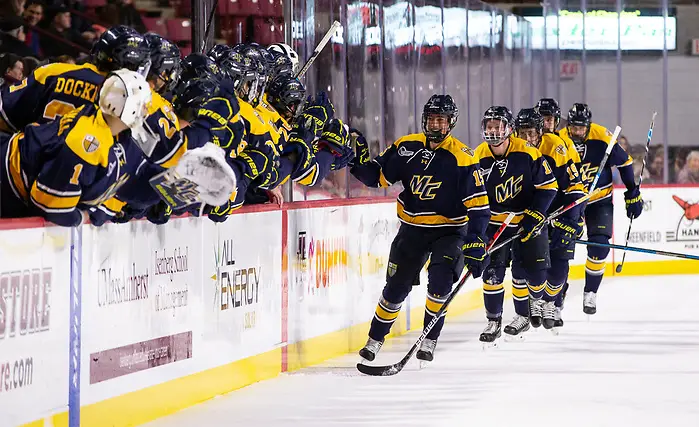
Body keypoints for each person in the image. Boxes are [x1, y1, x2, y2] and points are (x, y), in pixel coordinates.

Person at [351, 94, 490, 363]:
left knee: (439, 285)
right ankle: (375, 339)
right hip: (412, 230)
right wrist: (354, 161)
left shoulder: (462, 157)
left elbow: (479, 207)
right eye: (432, 119)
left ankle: (429, 338)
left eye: (441, 120)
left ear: (451, 123)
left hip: (449, 232)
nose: (435, 125)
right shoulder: (406, 147)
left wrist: (475, 241)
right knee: (395, 288)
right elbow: (376, 177)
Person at [0, 69, 152, 226]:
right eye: (144, 105)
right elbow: (50, 206)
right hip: (7, 178)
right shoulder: (85, 144)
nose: (146, 111)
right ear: (129, 107)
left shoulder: (105, 126)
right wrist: (80, 217)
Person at [474, 106, 558, 343]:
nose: (493, 131)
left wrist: (534, 214)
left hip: (527, 222)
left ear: (509, 129)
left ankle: (530, 306)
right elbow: (471, 194)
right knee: (492, 273)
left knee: (533, 273)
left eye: (498, 126)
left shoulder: (528, 153)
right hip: (495, 225)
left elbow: (549, 187)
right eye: (489, 126)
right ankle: (494, 320)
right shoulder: (478, 156)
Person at [559, 103, 643, 314]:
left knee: (599, 245)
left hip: (599, 199)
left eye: (581, 128)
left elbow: (625, 163)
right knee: (559, 248)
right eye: (574, 127)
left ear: (588, 125)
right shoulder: (560, 138)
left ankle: (590, 292)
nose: (577, 132)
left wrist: (632, 192)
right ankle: (557, 294)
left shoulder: (603, 136)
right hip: (570, 202)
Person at [511, 108, 585, 333]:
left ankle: (550, 303)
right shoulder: (513, 150)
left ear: (541, 132)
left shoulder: (556, 146)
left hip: (558, 213)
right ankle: (531, 305)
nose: (527, 139)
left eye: (531, 133)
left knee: (559, 266)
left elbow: (575, 187)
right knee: (525, 266)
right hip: (531, 216)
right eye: (522, 133)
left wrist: (573, 219)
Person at [0, 25, 150, 133]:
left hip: (29, 160)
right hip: (76, 170)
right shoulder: (123, 98)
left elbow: (6, 111)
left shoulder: (52, 71)